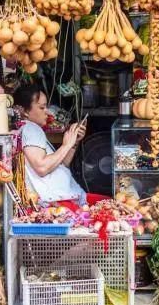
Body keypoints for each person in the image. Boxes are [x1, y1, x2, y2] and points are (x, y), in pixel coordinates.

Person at [13, 83, 106, 211]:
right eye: (42, 107)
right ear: (24, 111)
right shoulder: (31, 128)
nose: (47, 112)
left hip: (61, 199)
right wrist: (66, 144)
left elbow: (60, 164)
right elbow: (42, 167)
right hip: (58, 204)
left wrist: (73, 144)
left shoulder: (29, 129)